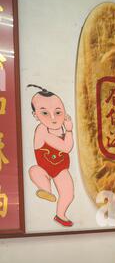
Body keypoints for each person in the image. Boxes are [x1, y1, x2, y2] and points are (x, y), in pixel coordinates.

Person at [28, 84, 74, 227]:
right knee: (34, 171)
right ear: (36, 115)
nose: (53, 118)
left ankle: (60, 215)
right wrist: (69, 130)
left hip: (61, 168)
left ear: (65, 112)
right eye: (45, 113)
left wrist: (67, 130)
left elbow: (68, 147)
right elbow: (66, 147)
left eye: (58, 112)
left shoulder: (61, 128)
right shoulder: (42, 130)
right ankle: (46, 191)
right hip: (44, 169)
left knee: (68, 194)